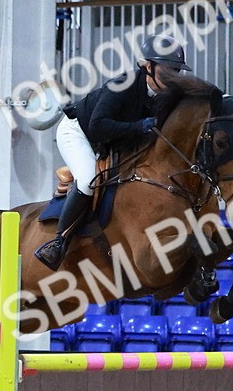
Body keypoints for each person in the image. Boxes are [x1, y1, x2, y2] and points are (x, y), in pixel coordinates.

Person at [34, 34, 192, 271]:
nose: (172, 79)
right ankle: (59, 241)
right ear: (148, 66)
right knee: (88, 180)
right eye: (166, 72)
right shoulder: (123, 85)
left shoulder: (169, 95)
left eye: (176, 72)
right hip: (80, 132)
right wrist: (137, 127)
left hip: (115, 140)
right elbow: (98, 126)